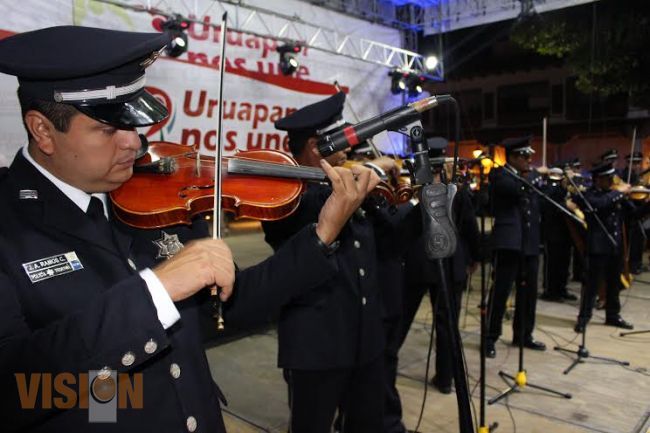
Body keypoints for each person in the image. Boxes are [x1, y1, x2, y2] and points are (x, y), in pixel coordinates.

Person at [0, 26, 379, 432]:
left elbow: (224, 311)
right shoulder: (8, 224)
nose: (135, 143)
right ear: (43, 130)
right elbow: (15, 390)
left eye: (134, 123)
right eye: (109, 129)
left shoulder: (150, 196)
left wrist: (322, 234)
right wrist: (153, 292)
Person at [262, 92, 419, 433]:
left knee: (368, 425)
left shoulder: (352, 185)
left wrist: (424, 205)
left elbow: (391, 241)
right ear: (317, 145)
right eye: (343, 140)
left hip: (366, 339)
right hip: (317, 345)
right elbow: (314, 212)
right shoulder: (287, 193)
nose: (350, 149)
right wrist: (369, 172)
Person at [485, 136, 546, 358]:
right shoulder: (501, 175)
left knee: (528, 293)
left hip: (528, 243)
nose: (529, 160)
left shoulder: (525, 177)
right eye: (525, 156)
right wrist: (539, 174)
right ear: (513, 157)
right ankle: (490, 337)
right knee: (500, 292)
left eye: (530, 156)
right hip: (508, 243)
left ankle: (523, 334)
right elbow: (515, 189)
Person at [573, 161, 650, 332]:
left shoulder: (615, 195)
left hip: (615, 246)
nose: (612, 181)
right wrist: (618, 192)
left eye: (612, 178)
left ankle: (613, 315)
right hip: (597, 247)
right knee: (592, 285)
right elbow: (599, 206)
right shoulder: (589, 195)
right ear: (598, 179)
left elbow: (635, 215)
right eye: (608, 178)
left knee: (614, 284)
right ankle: (583, 318)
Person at [539, 167, 577, 302]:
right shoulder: (547, 187)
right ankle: (550, 291)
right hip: (552, 231)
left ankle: (561, 288)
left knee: (564, 262)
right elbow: (548, 202)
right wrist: (565, 203)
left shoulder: (564, 188)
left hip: (565, 230)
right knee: (552, 263)